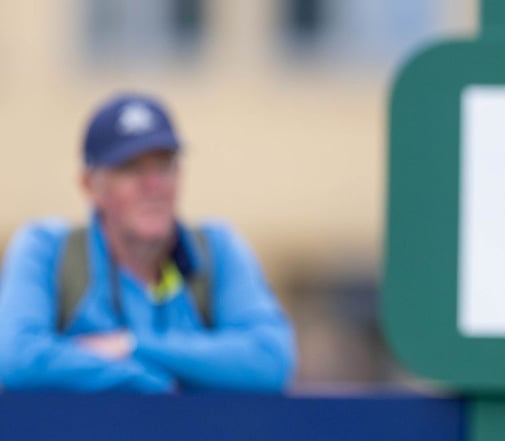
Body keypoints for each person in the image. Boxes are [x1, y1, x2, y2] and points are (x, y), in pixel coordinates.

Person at [0, 92, 296, 392]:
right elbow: (15, 359)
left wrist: (131, 346)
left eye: (164, 165)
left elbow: (269, 361)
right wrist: (147, 381)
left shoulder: (216, 249)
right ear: (90, 185)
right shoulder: (48, 249)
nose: (153, 185)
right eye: (130, 168)